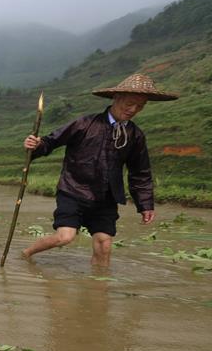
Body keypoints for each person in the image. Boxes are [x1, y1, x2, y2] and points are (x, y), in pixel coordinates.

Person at [22, 74, 179, 266]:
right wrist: (36, 145)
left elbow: (140, 172)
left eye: (140, 106)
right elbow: (50, 141)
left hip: (106, 197)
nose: (133, 110)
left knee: (104, 244)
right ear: (116, 98)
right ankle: (27, 253)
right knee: (65, 237)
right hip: (73, 191)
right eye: (129, 103)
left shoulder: (135, 136)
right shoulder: (84, 124)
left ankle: (99, 288)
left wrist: (145, 204)